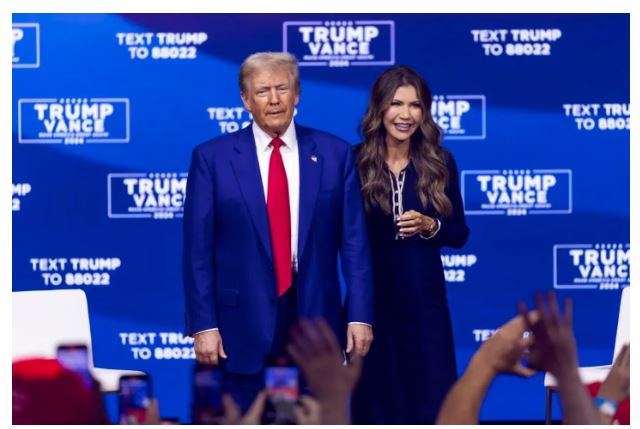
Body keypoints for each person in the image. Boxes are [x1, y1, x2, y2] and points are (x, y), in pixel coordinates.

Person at [182, 51, 374, 412]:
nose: (274, 100)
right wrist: (203, 324)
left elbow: (354, 245)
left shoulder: (334, 154)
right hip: (241, 325)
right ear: (245, 100)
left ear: (297, 94)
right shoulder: (212, 159)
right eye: (262, 91)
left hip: (315, 320)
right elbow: (198, 251)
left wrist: (359, 315)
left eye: (282, 89)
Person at [351, 65, 470, 424]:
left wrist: (430, 225)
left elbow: (459, 233)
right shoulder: (355, 162)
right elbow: (343, 238)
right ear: (380, 108)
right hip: (373, 307)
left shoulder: (439, 161)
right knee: (376, 407)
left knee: (433, 406)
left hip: (426, 307)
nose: (406, 115)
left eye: (415, 105)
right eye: (396, 104)